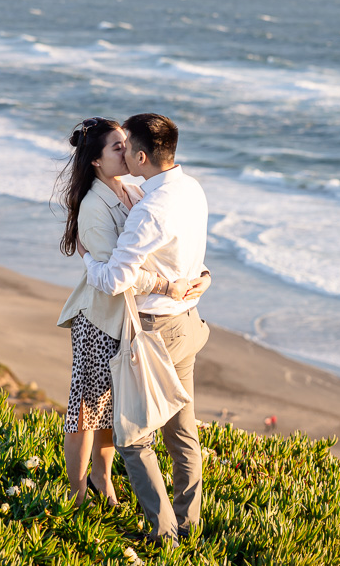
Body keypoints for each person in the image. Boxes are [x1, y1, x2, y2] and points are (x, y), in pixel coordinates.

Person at [56, 116, 209, 507]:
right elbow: (116, 277)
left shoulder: (133, 192)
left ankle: (102, 482)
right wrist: (167, 285)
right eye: (116, 147)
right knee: (85, 413)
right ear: (95, 160)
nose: (126, 152)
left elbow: (164, 249)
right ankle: (77, 495)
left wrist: (198, 275)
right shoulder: (95, 205)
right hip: (101, 319)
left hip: (127, 321)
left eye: (126, 145)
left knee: (107, 415)